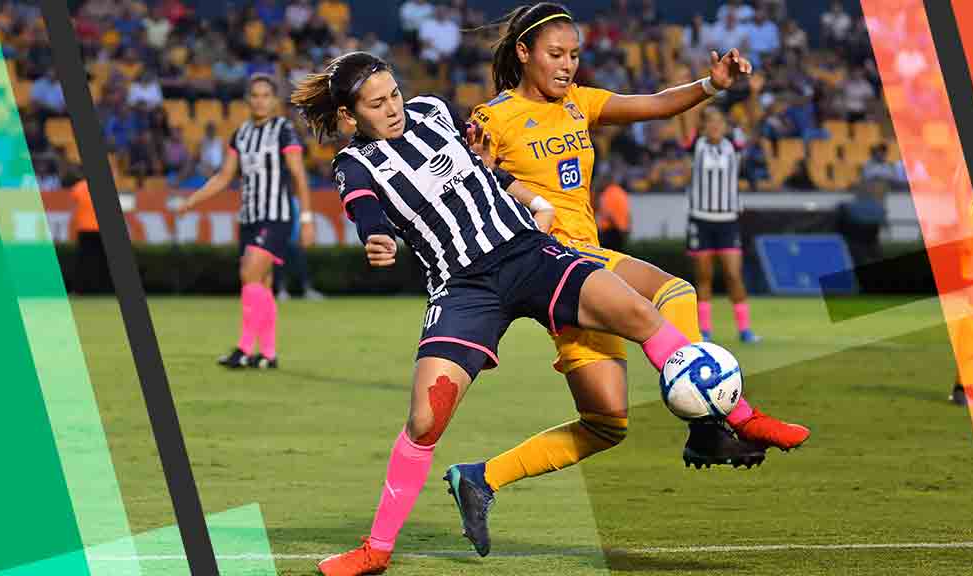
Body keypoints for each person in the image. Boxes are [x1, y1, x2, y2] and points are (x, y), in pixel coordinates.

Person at [291, 51, 761, 576]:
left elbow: (483, 172)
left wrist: (530, 200)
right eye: (378, 104)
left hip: (528, 253)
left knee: (639, 311)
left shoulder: (434, 111)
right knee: (425, 420)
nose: (395, 107)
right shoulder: (353, 163)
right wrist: (375, 237)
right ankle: (376, 549)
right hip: (462, 287)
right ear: (352, 117)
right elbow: (366, 209)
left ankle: (737, 419)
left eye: (395, 93)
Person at [458, 3, 808, 556]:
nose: (568, 65)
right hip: (552, 266)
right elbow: (471, 186)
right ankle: (718, 423)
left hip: (588, 259)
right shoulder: (493, 117)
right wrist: (495, 178)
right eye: (555, 54)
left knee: (605, 424)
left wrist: (710, 85)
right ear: (523, 53)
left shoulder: (578, 102)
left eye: (574, 54)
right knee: (676, 291)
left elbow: (655, 106)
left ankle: (480, 477)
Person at [177, 74, 314, 369]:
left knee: (249, 274)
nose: (260, 100)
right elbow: (225, 177)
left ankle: (243, 348)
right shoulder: (240, 134)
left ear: (275, 100)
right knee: (261, 285)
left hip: (276, 216)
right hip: (249, 216)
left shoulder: (284, 130)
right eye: (255, 95)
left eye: (266, 95)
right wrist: (193, 199)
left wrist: (306, 218)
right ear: (248, 100)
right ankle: (267, 353)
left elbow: (299, 176)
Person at [687, 106, 759, 342]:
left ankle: (745, 329)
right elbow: (682, 120)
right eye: (710, 122)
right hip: (701, 219)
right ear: (703, 127)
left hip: (728, 220)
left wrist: (754, 96)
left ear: (725, 126)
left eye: (719, 122)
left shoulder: (733, 146)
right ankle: (705, 331)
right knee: (704, 277)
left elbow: (753, 124)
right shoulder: (696, 145)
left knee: (733, 275)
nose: (715, 126)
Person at [274, 193, 325, 301]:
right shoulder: (279, 202)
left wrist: (303, 236)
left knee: (301, 266)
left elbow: (302, 220)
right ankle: (282, 290)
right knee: (281, 266)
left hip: (296, 240)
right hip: (281, 240)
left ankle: (307, 290)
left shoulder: (297, 201)